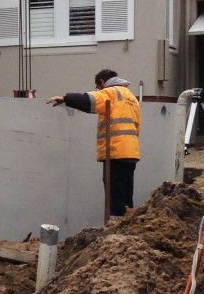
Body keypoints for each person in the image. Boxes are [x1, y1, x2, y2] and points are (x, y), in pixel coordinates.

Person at [47, 69, 141, 217]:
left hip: (115, 152)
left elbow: (88, 100)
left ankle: (115, 229)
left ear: (102, 83)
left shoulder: (111, 92)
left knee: (114, 193)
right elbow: (137, 127)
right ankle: (128, 224)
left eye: (98, 87)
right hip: (131, 152)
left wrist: (65, 98)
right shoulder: (131, 98)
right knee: (125, 193)